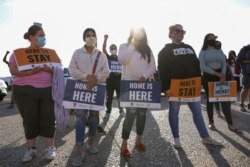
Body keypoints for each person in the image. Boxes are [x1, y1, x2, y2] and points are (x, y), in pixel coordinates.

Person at [158, 24, 222, 149]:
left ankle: (205, 137)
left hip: (192, 86)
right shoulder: (164, 50)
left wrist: (200, 83)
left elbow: (197, 66)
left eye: (182, 32)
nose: (180, 34)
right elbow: (162, 70)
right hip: (175, 87)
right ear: (170, 34)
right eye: (177, 31)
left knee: (197, 112)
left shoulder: (189, 48)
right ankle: (176, 139)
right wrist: (166, 88)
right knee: (174, 112)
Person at [8, 24, 57, 162]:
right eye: (40, 35)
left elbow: (58, 71)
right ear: (31, 37)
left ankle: (50, 148)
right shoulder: (18, 53)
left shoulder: (49, 53)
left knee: (48, 119)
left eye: (44, 36)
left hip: (47, 90)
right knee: (29, 120)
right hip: (25, 91)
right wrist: (31, 72)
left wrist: (49, 70)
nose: (43, 38)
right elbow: (13, 71)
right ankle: (31, 150)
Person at [68, 28, 110, 166]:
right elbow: (72, 70)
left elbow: (106, 72)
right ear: (83, 38)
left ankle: (91, 143)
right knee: (80, 117)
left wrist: (95, 79)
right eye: (88, 35)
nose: (91, 37)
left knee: (94, 117)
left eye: (93, 35)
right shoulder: (77, 53)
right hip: (81, 91)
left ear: (96, 38)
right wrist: (87, 77)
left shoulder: (101, 55)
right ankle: (79, 149)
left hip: (96, 91)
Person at [118, 27, 156, 157]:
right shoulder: (124, 46)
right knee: (130, 115)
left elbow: (153, 66)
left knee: (142, 114)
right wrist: (132, 46)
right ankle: (124, 144)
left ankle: (138, 140)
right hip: (129, 87)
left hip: (144, 87)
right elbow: (121, 60)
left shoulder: (148, 49)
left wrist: (144, 76)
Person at [199, 33, 241, 133]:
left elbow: (223, 62)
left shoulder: (219, 50)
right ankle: (211, 122)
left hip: (221, 76)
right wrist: (217, 74)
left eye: (214, 38)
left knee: (225, 101)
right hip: (208, 76)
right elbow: (203, 67)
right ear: (206, 40)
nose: (212, 40)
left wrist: (223, 75)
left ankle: (230, 124)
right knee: (210, 100)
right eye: (210, 38)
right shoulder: (202, 51)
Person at [102, 34, 125, 119]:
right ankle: (108, 112)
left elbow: (124, 69)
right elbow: (103, 49)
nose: (113, 50)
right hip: (110, 80)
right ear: (110, 50)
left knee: (120, 96)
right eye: (111, 49)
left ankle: (121, 111)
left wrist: (120, 74)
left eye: (114, 48)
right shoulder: (108, 57)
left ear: (117, 50)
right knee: (109, 97)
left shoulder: (120, 59)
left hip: (119, 80)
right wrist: (105, 39)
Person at [236, 44, 250, 112]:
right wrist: (248, 61)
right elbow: (238, 59)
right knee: (246, 88)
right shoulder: (245, 48)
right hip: (246, 71)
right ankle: (241, 104)